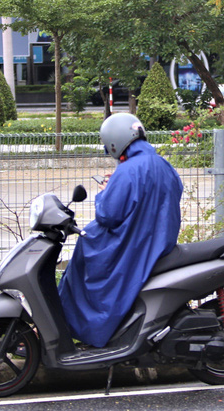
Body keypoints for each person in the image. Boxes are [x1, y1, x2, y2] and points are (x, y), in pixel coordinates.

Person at [58, 113, 184, 348]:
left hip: (131, 244)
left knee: (86, 251)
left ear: (114, 142)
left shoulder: (127, 171)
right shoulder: (163, 164)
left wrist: (106, 190)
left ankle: (84, 329)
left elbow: (107, 215)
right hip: (158, 243)